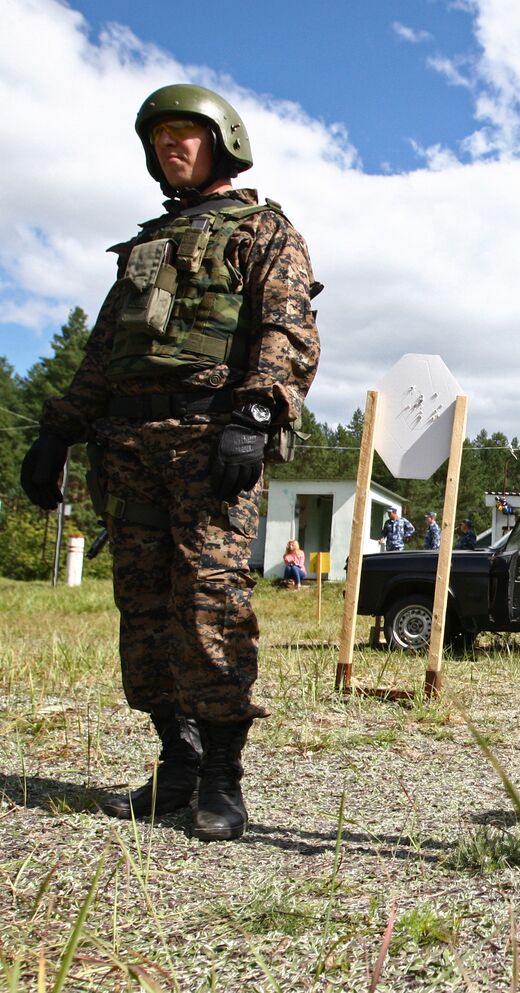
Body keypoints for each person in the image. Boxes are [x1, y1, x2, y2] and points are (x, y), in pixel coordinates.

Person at [19, 84, 320, 842]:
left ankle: (221, 774)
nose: (171, 145)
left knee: (212, 601)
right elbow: (105, 352)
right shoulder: (145, 249)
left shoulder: (264, 231)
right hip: (129, 449)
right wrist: (57, 432)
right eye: (160, 137)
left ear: (224, 144)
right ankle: (177, 761)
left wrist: (256, 414)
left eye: (186, 133)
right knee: (145, 607)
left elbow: (286, 330)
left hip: (209, 443)